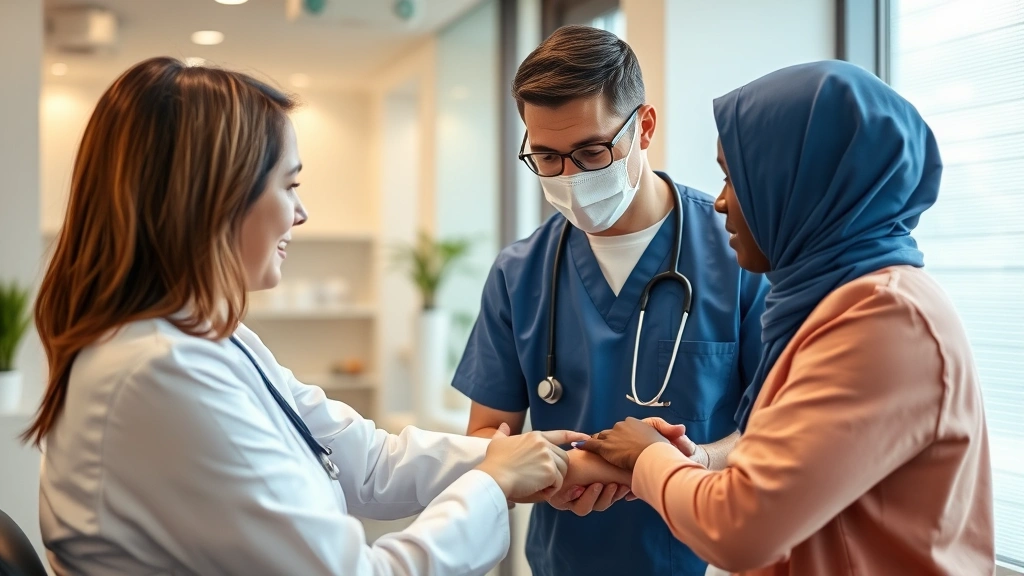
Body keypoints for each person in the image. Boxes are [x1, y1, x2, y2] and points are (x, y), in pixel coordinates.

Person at [23, 57, 587, 576]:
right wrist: (493, 483)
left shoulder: (205, 340)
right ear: (215, 197)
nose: (301, 212)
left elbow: (364, 460)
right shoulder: (158, 373)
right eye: (289, 185)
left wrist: (525, 457)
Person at [579, 60, 995, 575]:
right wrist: (698, 461)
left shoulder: (887, 320)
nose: (722, 203)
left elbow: (739, 528)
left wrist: (648, 459)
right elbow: (798, 468)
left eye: (737, 179)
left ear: (806, 185)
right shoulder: (827, 302)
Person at [452, 25, 769, 576]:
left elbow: (779, 432)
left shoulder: (738, 253)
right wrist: (552, 475)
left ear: (644, 127)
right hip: (566, 559)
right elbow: (487, 436)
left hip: (707, 559)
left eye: (592, 151)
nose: (569, 177)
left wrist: (679, 462)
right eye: (547, 157)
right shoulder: (519, 272)